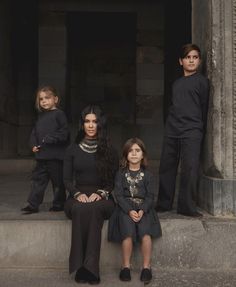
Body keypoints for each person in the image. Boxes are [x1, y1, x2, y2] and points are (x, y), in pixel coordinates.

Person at [63, 105, 118, 285]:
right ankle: (81, 266)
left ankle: (90, 268)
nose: (91, 125)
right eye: (87, 121)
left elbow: (112, 182)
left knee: (93, 209)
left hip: (103, 197)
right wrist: (77, 193)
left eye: (95, 121)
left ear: (101, 124)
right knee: (79, 208)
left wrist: (101, 194)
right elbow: (66, 180)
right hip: (77, 195)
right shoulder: (72, 149)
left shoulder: (110, 150)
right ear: (82, 124)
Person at [156, 43, 209, 217]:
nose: (191, 60)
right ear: (181, 61)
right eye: (188, 57)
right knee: (166, 166)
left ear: (199, 61)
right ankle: (164, 203)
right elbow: (170, 106)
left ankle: (186, 206)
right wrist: (169, 124)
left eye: (195, 57)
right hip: (172, 129)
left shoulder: (203, 82)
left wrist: (199, 128)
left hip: (192, 130)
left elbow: (204, 107)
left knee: (190, 168)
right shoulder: (176, 83)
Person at [108, 138, 162, 284]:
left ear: (143, 155)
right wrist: (129, 210)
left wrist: (143, 210)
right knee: (127, 231)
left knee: (145, 232)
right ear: (126, 155)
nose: (134, 154)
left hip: (144, 208)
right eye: (130, 151)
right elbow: (118, 195)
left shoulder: (149, 175)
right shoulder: (120, 174)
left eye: (137, 151)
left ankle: (146, 267)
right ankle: (125, 266)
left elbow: (151, 196)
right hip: (125, 208)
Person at [21, 86, 69, 214]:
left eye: (47, 98)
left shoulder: (59, 114)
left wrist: (51, 138)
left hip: (55, 157)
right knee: (37, 181)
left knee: (57, 182)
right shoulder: (40, 117)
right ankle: (33, 205)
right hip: (42, 157)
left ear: (56, 99)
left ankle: (59, 204)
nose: (44, 101)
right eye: (41, 99)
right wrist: (33, 144)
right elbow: (34, 133)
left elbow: (64, 133)